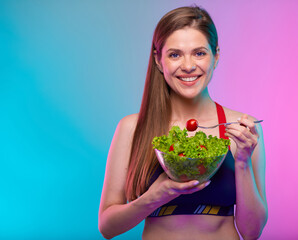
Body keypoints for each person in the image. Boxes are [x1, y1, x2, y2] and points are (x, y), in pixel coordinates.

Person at [98, 6, 267, 240]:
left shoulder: (242, 129)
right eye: (175, 54)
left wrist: (242, 162)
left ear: (216, 56)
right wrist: (153, 198)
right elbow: (107, 227)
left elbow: (252, 232)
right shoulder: (132, 128)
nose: (188, 66)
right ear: (158, 60)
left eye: (199, 53)